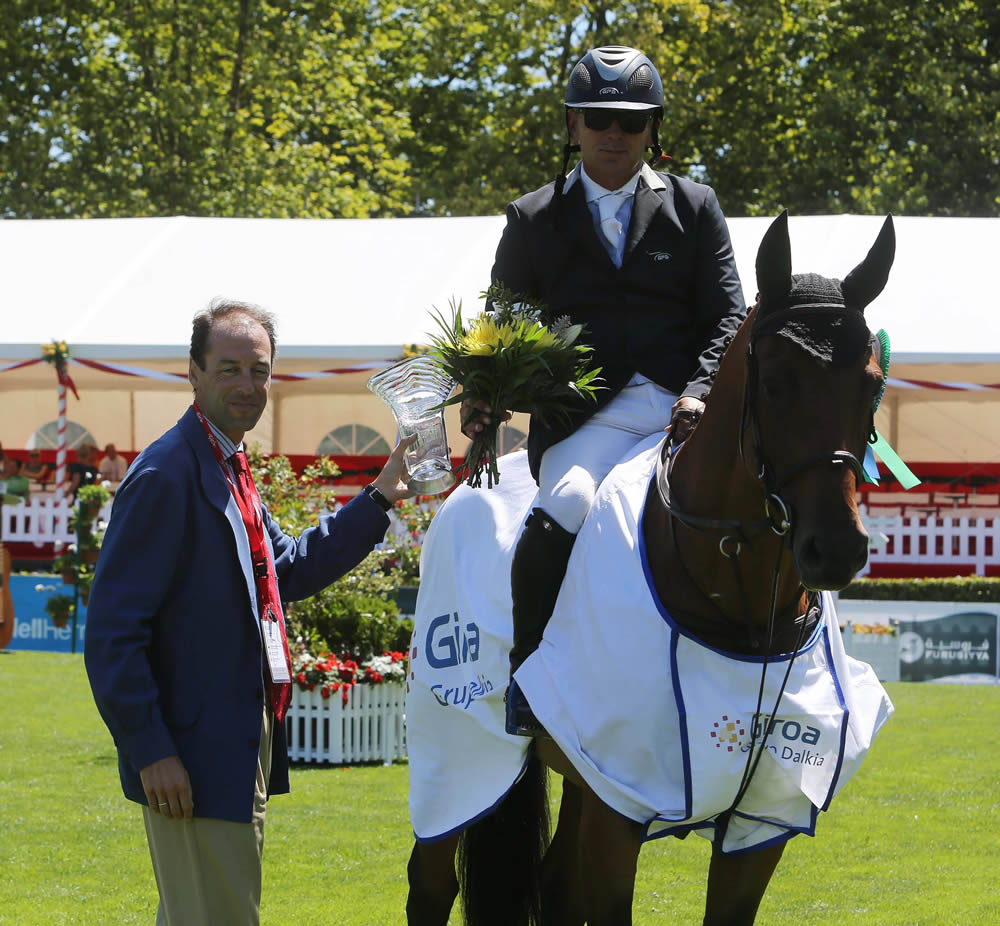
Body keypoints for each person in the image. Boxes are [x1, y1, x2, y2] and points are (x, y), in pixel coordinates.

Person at [84, 298, 416, 925]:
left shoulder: (228, 462)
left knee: (202, 912)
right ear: (193, 371)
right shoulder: (166, 473)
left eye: (258, 370)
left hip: (235, 738)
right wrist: (152, 749)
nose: (247, 385)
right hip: (190, 748)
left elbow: (285, 568)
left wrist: (379, 496)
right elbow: (111, 635)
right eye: (229, 368)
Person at [463, 45, 747, 735]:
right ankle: (528, 676)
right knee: (564, 506)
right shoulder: (532, 218)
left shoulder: (695, 205)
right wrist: (485, 384)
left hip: (682, 412)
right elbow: (503, 318)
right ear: (572, 124)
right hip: (585, 421)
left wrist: (702, 392)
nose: (613, 134)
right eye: (598, 119)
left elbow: (729, 316)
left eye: (630, 121)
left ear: (653, 129)